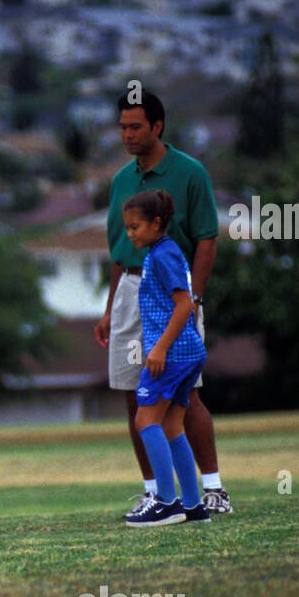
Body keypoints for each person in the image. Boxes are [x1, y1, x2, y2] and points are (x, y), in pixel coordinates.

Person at [96, 90, 231, 520]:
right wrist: (109, 307)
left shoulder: (189, 173)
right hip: (132, 295)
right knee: (135, 400)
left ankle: (212, 490)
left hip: (174, 297)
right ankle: (157, 491)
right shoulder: (121, 181)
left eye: (135, 126)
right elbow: (121, 252)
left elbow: (207, 240)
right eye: (122, 126)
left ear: (157, 127)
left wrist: (195, 300)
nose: (127, 134)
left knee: (185, 397)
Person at [120, 190, 211, 527]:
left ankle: (166, 502)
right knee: (172, 425)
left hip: (172, 354)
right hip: (187, 353)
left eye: (135, 227)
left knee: (145, 421)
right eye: (127, 228)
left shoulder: (163, 255)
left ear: (157, 223)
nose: (130, 234)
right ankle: (192, 505)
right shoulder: (162, 252)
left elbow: (185, 304)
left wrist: (158, 348)